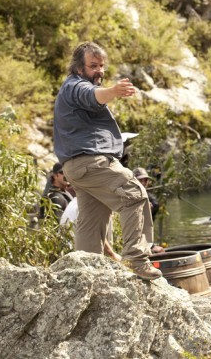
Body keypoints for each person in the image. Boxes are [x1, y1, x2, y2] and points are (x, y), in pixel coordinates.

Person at [53, 41, 161, 280]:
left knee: (92, 220)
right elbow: (92, 95)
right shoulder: (75, 86)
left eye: (101, 65)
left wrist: (108, 92)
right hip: (92, 163)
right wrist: (112, 91)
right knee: (134, 194)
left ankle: (86, 273)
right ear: (79, 67)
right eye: (93, 66)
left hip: (78, 168)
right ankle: (136, 258)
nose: (99, 70)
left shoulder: (72, 88)